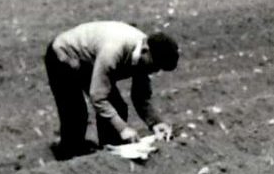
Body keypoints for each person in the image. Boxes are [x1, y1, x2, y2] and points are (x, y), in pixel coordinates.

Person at [43, 21, 178, 158]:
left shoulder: (145, 54)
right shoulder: (114, 50)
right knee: (75, 113)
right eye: (155, 67)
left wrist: (155, 122)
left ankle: (110, 152)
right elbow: (98, 97)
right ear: (145, 51)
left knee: (118, 107)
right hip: (63, 54)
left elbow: (140, 96)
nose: (154, 71)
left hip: (89, 61)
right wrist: (123, 128)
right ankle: (68, 155)